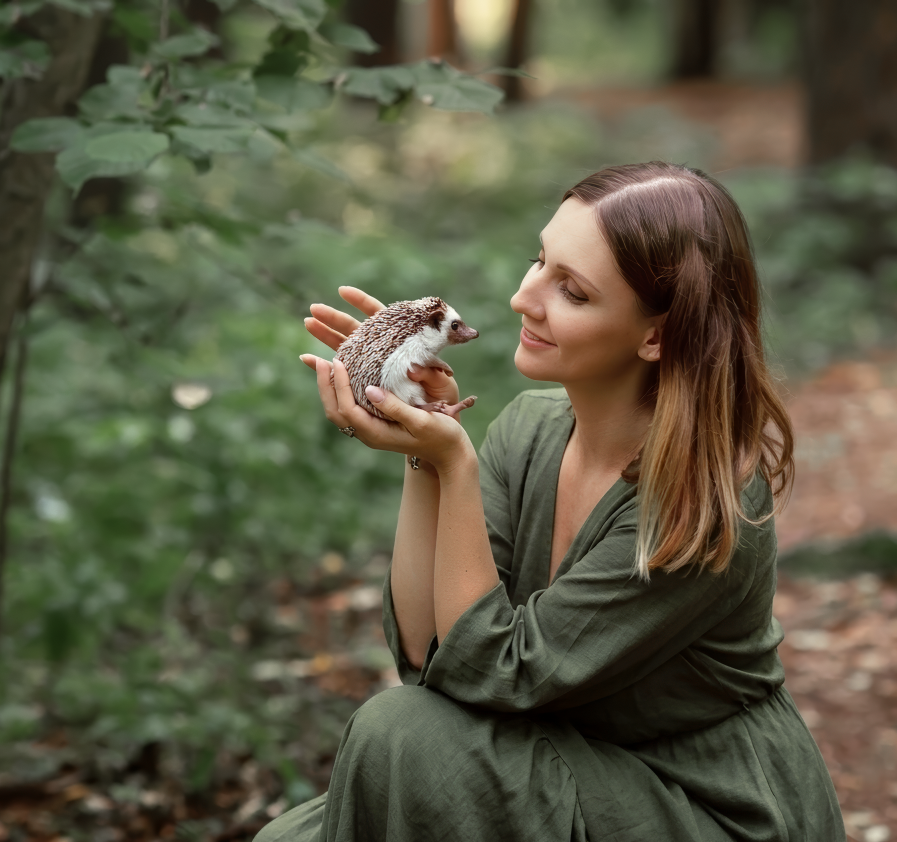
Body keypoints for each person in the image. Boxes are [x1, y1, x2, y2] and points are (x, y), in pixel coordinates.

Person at [258, 162, 844, 841]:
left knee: (397, 738)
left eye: (572, 290)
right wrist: (426, 454)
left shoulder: (703, 503)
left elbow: (494, 672)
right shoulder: (530, 428)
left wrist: (456, 460)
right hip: (561, 754)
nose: (523, 298)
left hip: (698, 801)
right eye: (540, 261)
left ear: (656, 335)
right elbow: (428, 658)